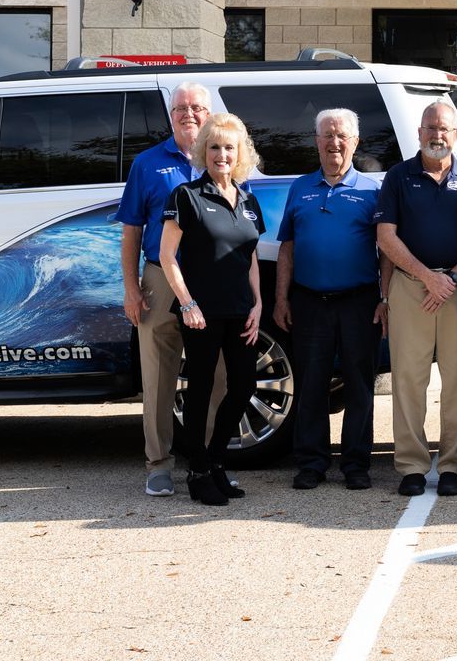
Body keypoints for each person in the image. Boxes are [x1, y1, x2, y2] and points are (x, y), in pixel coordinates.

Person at [117, 81, 222, 497]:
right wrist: (130, 287)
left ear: (209, 113)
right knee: (159, 376)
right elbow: (131, 230)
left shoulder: (222, 159)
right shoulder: (147, 164)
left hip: (211, 280)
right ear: (170, 114)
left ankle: (208, 461)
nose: (189, 114)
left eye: (197, 107)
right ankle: (159, 463)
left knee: (216, 375)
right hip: (161, 278)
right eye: (181, 107)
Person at [376, 102, 457, 498]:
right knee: (408, 379)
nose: (437, 135)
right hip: (410, 287)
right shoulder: (399, 177)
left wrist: (453, 276)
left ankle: (454, 465)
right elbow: (386, 237)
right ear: (419, 133)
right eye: (430, 128)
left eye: (444, 128)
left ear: (456, 134)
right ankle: (412, 466)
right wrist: (426, 278)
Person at [273, 108, 385, 491]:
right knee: (311, 384)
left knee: (359, 384)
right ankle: (312, 462)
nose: (334, 143)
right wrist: (281, 299)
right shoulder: (299, 188)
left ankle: (356, 463)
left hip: (359, 301)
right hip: (308, 302)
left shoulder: (372, 191)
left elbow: (385, 250)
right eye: (327, 135)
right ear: (316, 141)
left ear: (354, 142)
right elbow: (286, 247)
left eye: (342, 136)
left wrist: (384, 298)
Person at [158, 114, 265, 507]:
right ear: (204, 151)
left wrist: (258, 304)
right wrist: (187, 303)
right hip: (200, 313)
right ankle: (198, 470)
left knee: (243, 388)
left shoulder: (248, 199)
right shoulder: (186, 196)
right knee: (200, 392)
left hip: (241, 312)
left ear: (240, 154)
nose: (222, 154)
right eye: (215, 147)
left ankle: (215, 460)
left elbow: (250, 257)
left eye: (229, 148)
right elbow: (167, 256)